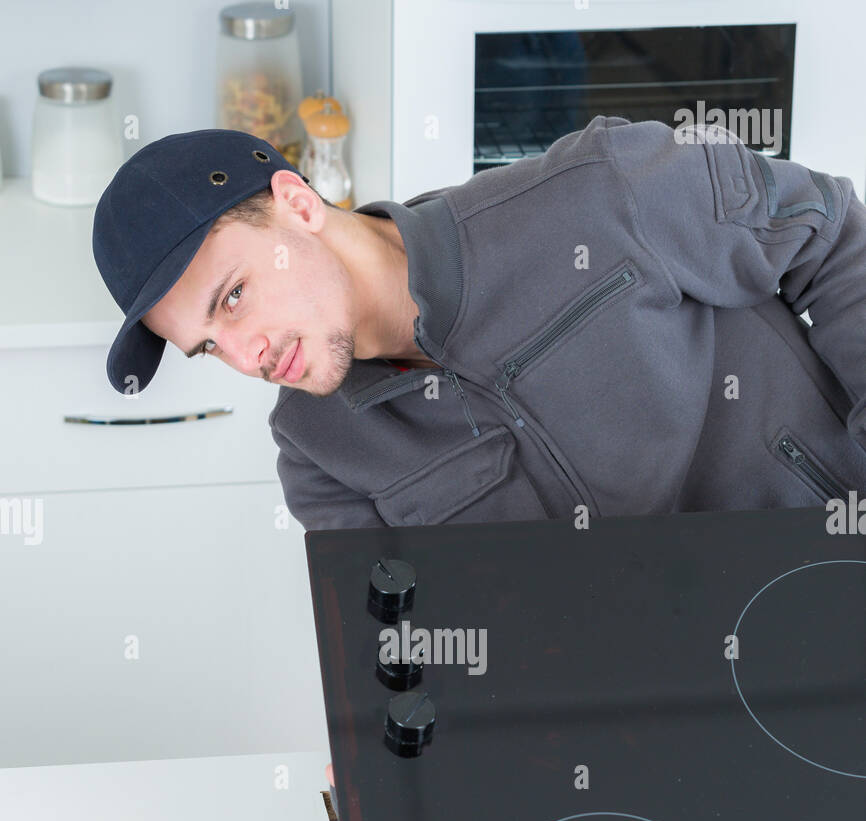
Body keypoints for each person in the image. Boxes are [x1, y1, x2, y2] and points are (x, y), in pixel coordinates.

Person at [93, 121, 866, 534]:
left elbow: (836, 238)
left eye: (232, 298)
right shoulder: (320, 453)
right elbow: (398, 642)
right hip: (642, 727)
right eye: (206, 345)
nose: (244, 355)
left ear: (297, 204)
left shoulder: (602, 192)